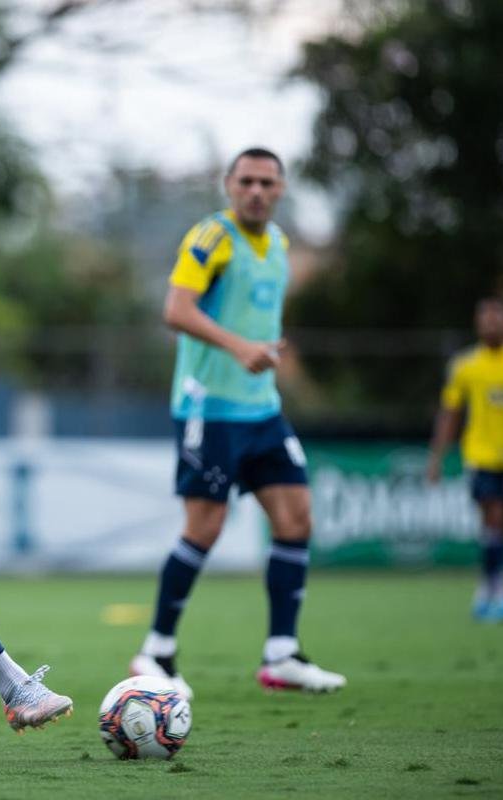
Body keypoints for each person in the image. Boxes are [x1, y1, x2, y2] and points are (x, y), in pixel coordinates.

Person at [128, 148, 346, 699]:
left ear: (281, 189)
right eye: (246, 180)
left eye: (267, 182)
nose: (256, 191)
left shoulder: (278, 245)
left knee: (296, 518)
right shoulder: (210, 237)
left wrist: (265, 351)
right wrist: (240, 346)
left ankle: (281, 656)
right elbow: (175, 311)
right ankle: (155, 650)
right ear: (229, 185)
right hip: (209, 409)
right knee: (205, 526)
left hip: (262, 409)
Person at [427, 298, 503, 622]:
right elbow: (450, 413)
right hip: (481, 455)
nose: (492, 324)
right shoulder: (465, 366)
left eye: (497, 318)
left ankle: (489, 580)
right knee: (492, 515)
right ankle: (498, 589)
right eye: (486, 318)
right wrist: (436, 456)